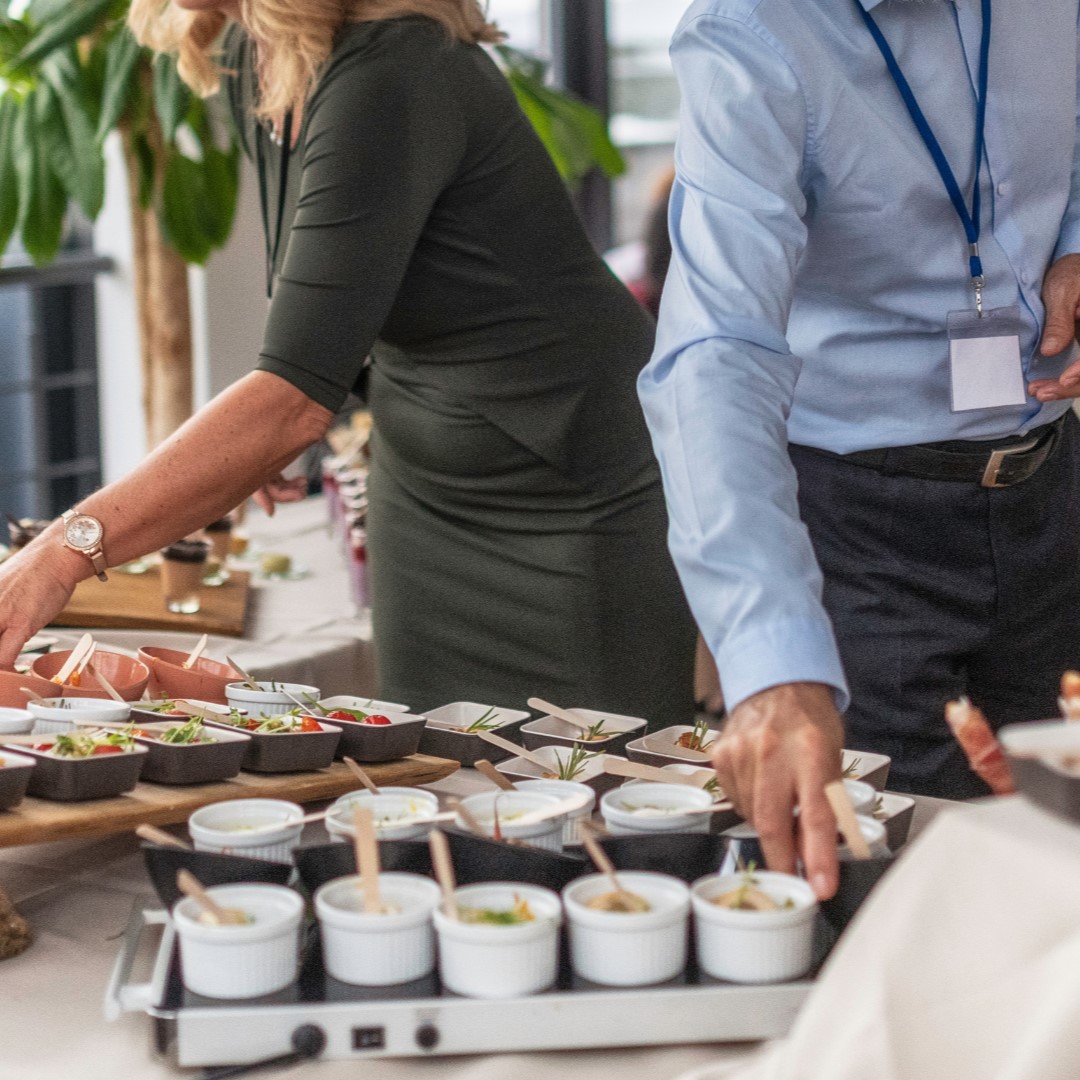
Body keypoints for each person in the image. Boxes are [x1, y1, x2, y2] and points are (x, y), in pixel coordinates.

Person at [0, 0, 696, 723]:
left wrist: (62, 550)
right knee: (435, 781)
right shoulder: (254, 56)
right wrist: (271, 416)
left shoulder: (396, 71)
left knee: (602, 797)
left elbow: (292, 398)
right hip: (428, 486)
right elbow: (326, 305)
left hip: (573, 493)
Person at [639, 0, 1080, 899]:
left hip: (1052, 501)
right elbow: (717, 351)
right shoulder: (750, 33)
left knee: (1055, 890)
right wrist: (773, 663)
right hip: (862, 537)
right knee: (903, 899)